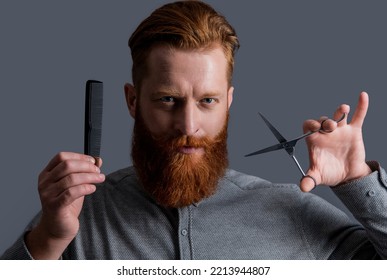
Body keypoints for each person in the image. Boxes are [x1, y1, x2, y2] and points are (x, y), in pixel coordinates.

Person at [2, 0, 386, 260]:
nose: (188, 126)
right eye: (168, 99)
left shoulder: (293, 214)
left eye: (207, 101)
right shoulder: (75, 218)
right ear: (133, 101)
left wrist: (359, 183)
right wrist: (49, 238)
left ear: (229, 102)